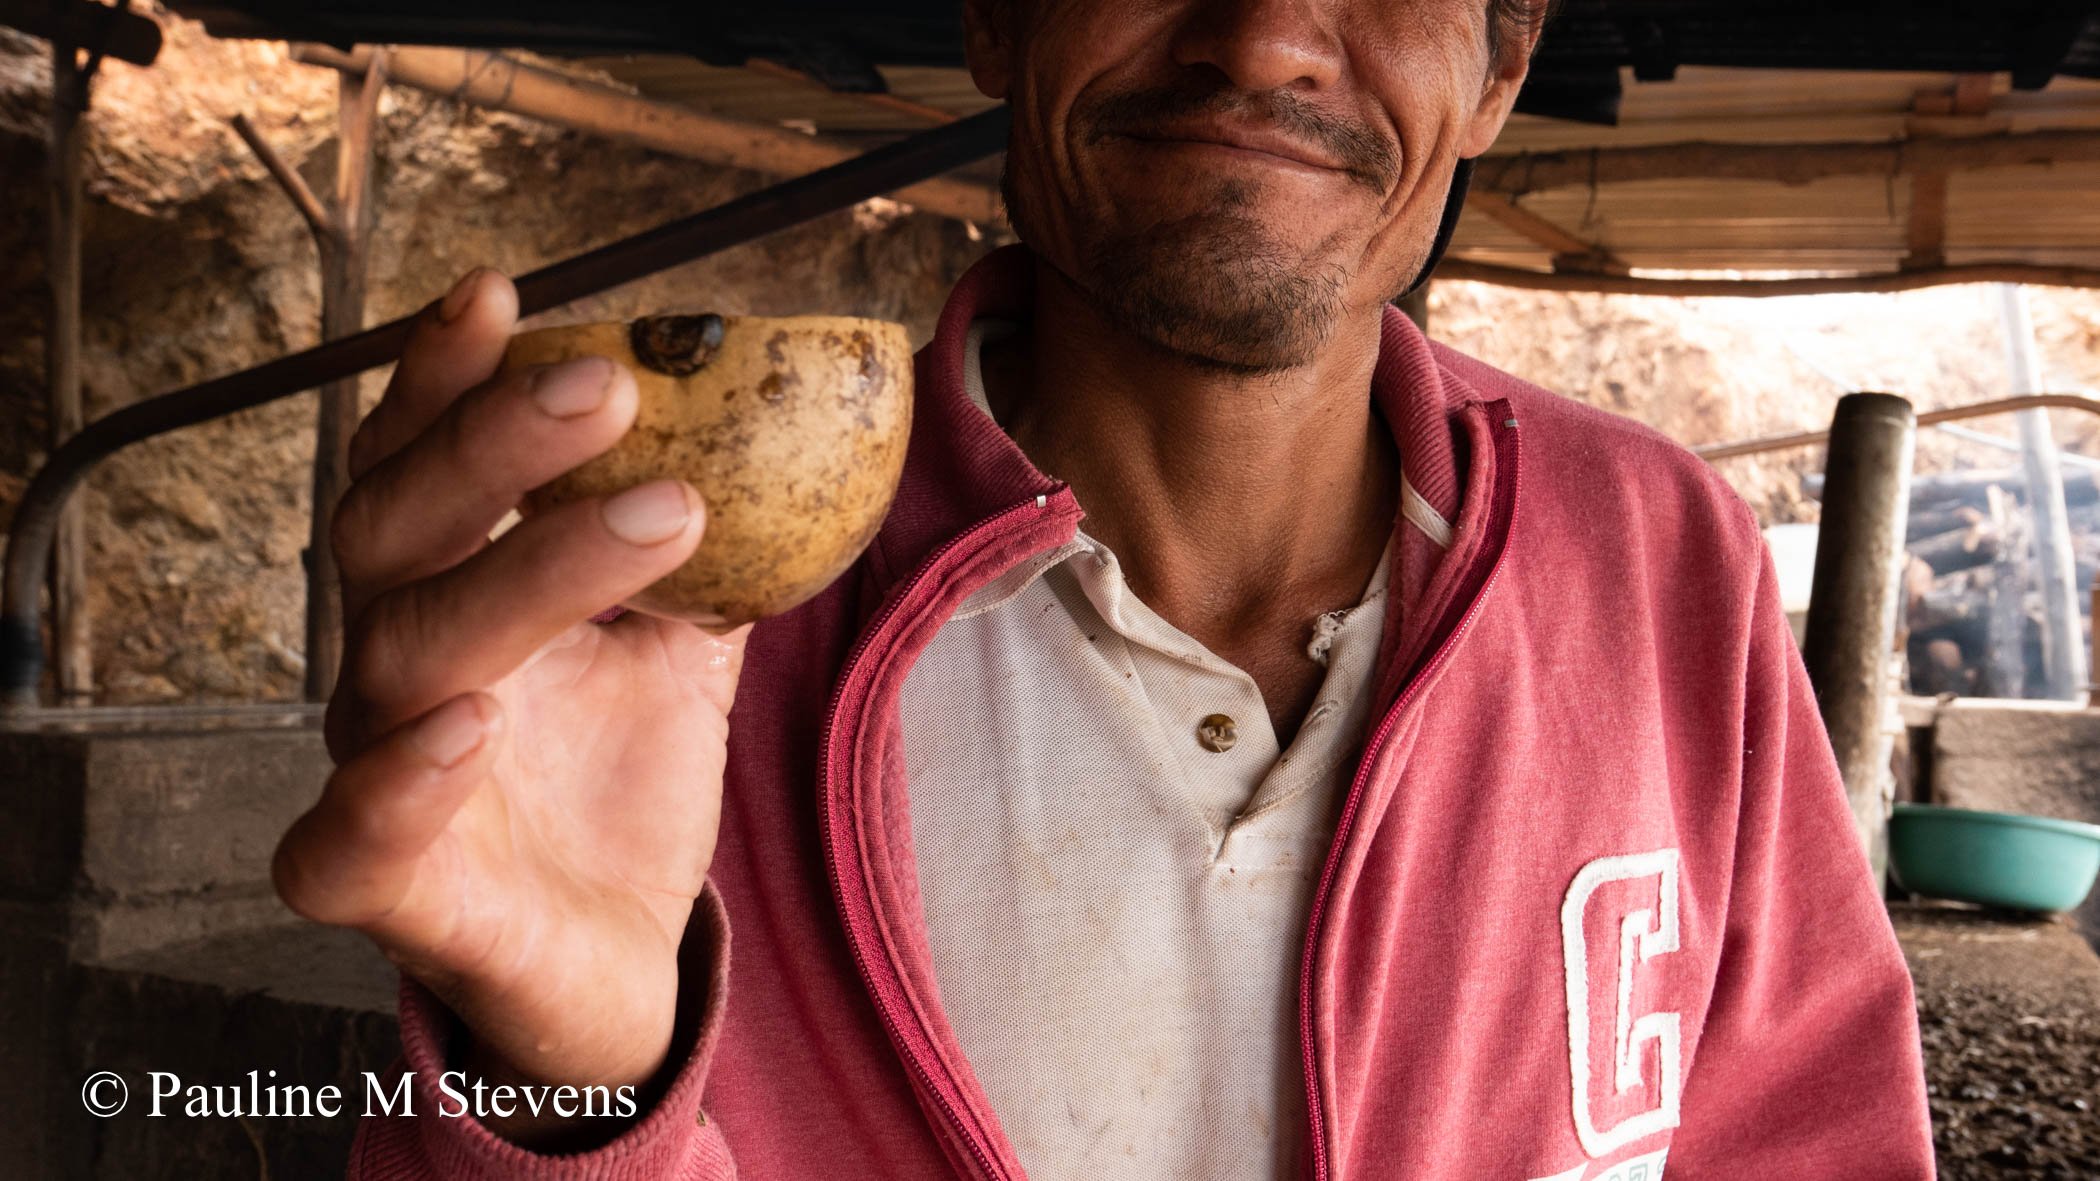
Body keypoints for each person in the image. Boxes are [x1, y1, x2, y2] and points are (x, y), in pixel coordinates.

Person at [273, 0, 1937, 1176]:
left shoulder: (1664, 561)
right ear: (996, 13)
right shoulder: (674, 631)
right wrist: (576, 1090)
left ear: (1503, 60)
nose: (1267, 36)